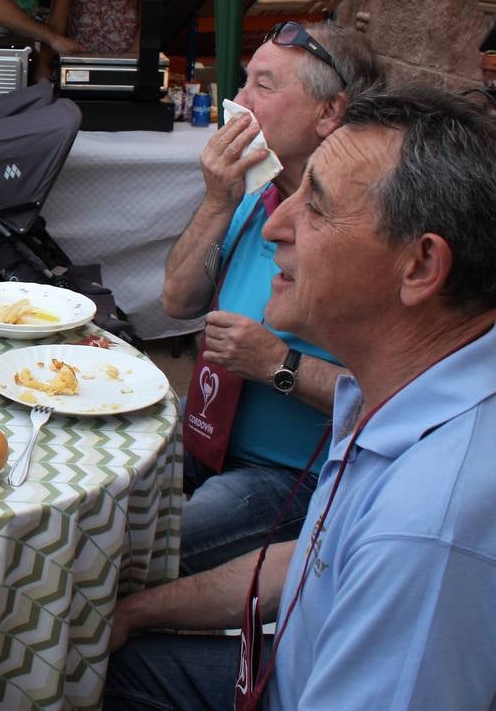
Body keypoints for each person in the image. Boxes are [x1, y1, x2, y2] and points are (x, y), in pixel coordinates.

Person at [105, 85, 496, 711]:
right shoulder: (408, 392)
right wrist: (141, 612)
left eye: (316, 207)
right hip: (284, 667)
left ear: (420, 266)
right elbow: (316, 558)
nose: (277, 225)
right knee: (105, 657)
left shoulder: (427, 527)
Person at [161, 21, 383, 575]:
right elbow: (176, 300)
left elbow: (403, 399)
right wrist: (217, 200)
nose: (237, 102)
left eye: (264, 85)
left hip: (288, 475)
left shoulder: (369, 230)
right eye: (243, 83)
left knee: (137, 552)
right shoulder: (258, 191)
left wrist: (280, 365)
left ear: (330, 114)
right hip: (206, 433)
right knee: (96, 469)